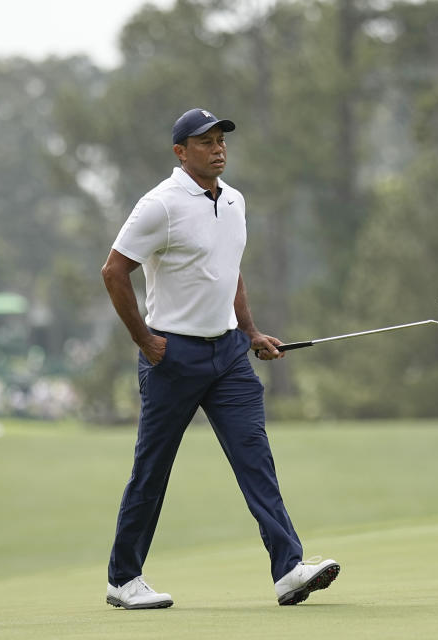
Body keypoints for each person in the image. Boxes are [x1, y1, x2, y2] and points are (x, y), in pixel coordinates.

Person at [100, 108, 339, 609]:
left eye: (220, 140)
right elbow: (114, 271)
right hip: (172, 356)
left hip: (229, 354)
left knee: (256, 458)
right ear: (180, 152)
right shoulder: (159, 206)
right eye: (204, 142)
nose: (217, 148)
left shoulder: (234, 201)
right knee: (152, 470)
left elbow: (229, 270)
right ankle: (123, 579)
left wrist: (250, 331)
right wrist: (144, 340)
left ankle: (289, 569)